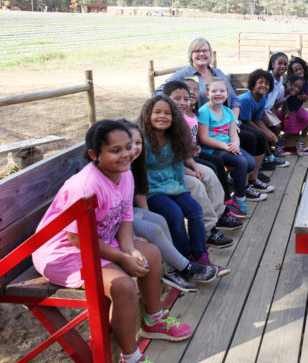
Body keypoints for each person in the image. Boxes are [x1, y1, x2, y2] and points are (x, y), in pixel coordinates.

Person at [32, 120, 193, 363]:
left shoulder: (124, 173)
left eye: (128, 147)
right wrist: (121, 258)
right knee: (122, 286)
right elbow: (76, 237)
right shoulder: (86, 185)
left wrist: (129, 250)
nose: (126, 154)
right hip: (65, 252)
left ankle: (153, 320)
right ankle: (130, 356)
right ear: (94, 154)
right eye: (115, 150)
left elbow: (125, 216)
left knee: (150, 253)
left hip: (97, 241)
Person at [157, 36, 271, 192]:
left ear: (210, 53)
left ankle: (250, 179)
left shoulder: (217, 72)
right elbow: (160, 91)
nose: (201, 54)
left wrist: (234, 123)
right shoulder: (184, 74)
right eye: (197, 51)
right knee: (250, 139)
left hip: (226, 120)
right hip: (205, 126)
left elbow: (234, 101)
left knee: (257, 137)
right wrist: (176, 103)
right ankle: (240, 183)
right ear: (191, 54)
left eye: (205, 50)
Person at [120, 119, 218, 292]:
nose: (133, 149)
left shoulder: (132, 166)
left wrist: (145, 215)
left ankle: (189, 262)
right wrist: (134, 233)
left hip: (130, 211)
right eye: (127, 145)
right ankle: (183, 267)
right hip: (121, 218)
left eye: (137, 143)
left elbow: (138, 191)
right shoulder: (123, 167)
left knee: (167, 217)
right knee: (164, 220)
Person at [138, 95, 219, 272]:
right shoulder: (143, 140)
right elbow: (138, 172)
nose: (162, 116)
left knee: (195, 209)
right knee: (175, 215)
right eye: (157, 112)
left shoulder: (174, 137)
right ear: (147, 115)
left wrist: (183, 190)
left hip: (172, 185)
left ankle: (201, 257)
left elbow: (177, 166)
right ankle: (186, 259)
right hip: (151, 189)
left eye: (167, 113)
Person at [163, 80, 241, 246]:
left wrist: (195, 164)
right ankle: (207, 230)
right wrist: (190, 170)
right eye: (177, 98)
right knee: (198, 185)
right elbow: (167, 157)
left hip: (183, 162)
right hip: (170, 172)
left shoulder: (179, 120)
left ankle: (218, 217)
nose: (183, 102)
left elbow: (183, 150)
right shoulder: (166, 121)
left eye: (186, 99)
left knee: (210, 174)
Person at [198, 78, 257, 217]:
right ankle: (240, 199)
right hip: (213, 148)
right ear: (207, 94)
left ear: (227, 94)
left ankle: (234, 175)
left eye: (222, 91)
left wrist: (235, 144)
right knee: (241, 162)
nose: (218, 94)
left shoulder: (229, 112)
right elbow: (203, 138)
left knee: (251, 163)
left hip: (228, 146)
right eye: (214, 91)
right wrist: (225, 146)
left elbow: (233, 133)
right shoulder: (204, 112)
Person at [239, 69, 289, 174]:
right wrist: (265, 133)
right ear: (253, 85)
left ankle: (263, 163)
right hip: (238, 125)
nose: (264, 85)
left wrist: (268, 132)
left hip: (248, 122)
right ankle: (256, 171)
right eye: (260, 83)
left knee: (269, 131)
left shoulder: (262, 99)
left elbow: (258, 119)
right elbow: (246, 121)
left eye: (267, 84)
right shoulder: (246, 99)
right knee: (259, 136)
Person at [279, 56, 308, 155]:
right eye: (296, 70)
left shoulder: (305, 83)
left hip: (298, 109)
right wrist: (287, 110)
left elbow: (306, 97)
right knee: (290, 129)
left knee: (307, 120)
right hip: (289, 110)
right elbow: (284, 98)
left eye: (300, 69)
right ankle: (279, 145)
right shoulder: (290, 84)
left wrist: (304, 98)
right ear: (292, 73)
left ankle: (301, 141)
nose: (299, 71)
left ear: (304, 69)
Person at [264, 52, 288, 154]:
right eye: (280, 63)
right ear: (273, 64)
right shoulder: (267, 78)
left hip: (268, 109)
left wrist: (273, 114)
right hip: (259, 109)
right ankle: (267, 152)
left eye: (285, 64)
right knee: (270, 128)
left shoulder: (280, 80)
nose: (283, 66)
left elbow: (276, 101)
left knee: (277, 126)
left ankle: (269, 149)